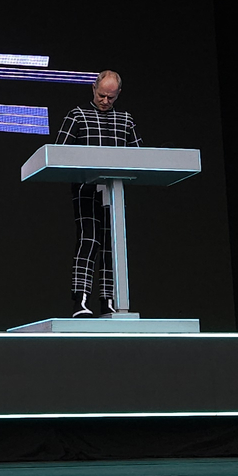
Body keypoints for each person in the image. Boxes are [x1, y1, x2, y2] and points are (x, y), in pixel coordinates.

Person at [56, 70, 140, 316]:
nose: (105, 101)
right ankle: (81, 300)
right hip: (86, 188)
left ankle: (109, 300)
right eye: (102, 95)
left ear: (118, 94)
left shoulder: (125, 120)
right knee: (89, 240)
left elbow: (140, 156)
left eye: (111, 97)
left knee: (112, 244)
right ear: (93, 89)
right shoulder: (77, 115)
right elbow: (59, 152)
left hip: (114, 191)